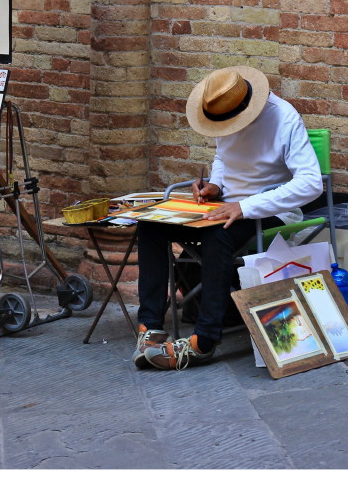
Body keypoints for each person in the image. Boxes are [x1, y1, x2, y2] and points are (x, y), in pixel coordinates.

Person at [133, 66, 324, 370]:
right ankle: (150, 327)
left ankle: (204, 341)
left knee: (217, 234)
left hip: (270, 213)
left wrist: (245, 207)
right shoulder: (224, 112)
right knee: (151, 225)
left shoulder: (285, 117)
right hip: (225, 208)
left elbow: (311, 184)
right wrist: (215, 185)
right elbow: (223, 157)